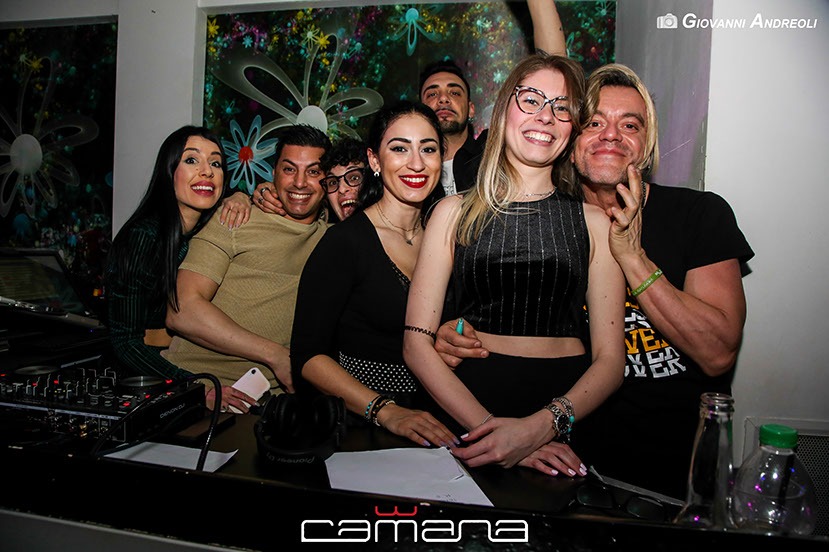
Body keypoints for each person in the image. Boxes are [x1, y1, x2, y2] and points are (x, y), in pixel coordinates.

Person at [435, 63, 755, 499]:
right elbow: (498, 304)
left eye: (630, 125)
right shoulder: (553, 223)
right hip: (570, 460)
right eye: (595, 123)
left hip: (673, 474)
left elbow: (718, 353)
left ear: (647, 143)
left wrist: (632, 257)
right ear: (570, 140)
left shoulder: (698, 215)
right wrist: (454, 332)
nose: (611, 135)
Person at [403, 54, 626, 478]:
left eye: (562, 107)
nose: (546, 116)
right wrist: (492, 432)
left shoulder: (596, 223)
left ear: (572, 127)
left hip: (566, 415)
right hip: (467, 410)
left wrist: (539, 428)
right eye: (531, 100)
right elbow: (416, 344)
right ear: (504, 108)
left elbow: (612, 361)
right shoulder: (451, 213)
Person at [289, 101, 458, 448]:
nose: (416, 163)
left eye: (428, 149)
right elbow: (307, 357)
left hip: (442, 414)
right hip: (363, 424)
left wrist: (457, 335)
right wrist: (385, 411)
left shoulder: (448, 238)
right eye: (400, 149)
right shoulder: (345, 242)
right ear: (375, 160)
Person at [163, 124, 331, 413]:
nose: (299, 183)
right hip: (200, 390)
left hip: (273, 405)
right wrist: (276, 355)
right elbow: (182, 310)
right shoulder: (235, 219)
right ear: (274, 173)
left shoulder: (332, 238)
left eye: (313, 172)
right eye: (289, 169)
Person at [105, 125, 250, 380]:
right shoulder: (143, 237)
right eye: (191, 160)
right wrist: (191, 384)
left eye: (215, 164)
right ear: (169, 171)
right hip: (143, 374)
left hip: (185, 361)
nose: (207, 171)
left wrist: (241, 195)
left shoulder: (207, 230)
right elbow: (125, 342)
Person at [419, 0, 567, 196]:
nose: (444, 99)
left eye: (455, 92)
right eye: (432, 94)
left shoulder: (494, 150)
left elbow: (554, 68)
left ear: (471, 109)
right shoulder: (407, 163)